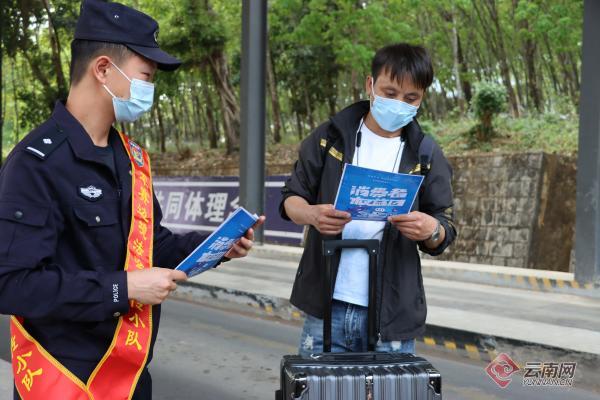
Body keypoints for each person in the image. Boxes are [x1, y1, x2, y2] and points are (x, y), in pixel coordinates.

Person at [0, 1, 264, 399]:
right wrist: (121, 288)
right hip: (64, 381)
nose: (150, 90)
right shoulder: (35, 163)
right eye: (146, 76)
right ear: (103, 69)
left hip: (131, 379)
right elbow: (12, 284)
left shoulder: (130, 158)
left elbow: (151, 245)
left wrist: (217, 247)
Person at [280, 43, 456, 357]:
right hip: (326, 306)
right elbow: (291, 198)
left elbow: (444, 228)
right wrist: (311, 215)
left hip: (392, 312)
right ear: (370, 84)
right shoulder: (330, 138)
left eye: (411, 98)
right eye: (390, 93)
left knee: (389, 385)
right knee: (320, 384)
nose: (398, 104)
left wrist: (431, 230)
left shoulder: (425, 154)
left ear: (422, 98)